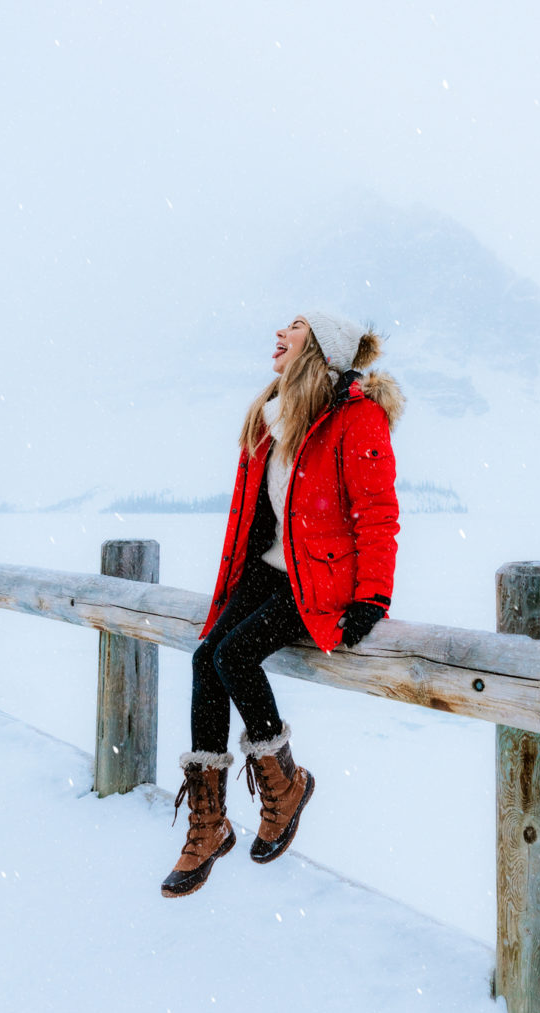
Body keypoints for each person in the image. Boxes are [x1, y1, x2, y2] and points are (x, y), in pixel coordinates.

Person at [161, 312, 404, 898]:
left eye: (294, 327)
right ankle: (210, 821)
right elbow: (254, 517)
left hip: (317, 585)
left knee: (235, 657)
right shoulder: (274, 416)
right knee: (206, 660)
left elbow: (376, 512)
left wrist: (372, 596)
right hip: (267, 576)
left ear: (320, 348)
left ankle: (285, 784)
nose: (280, 333)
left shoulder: (355, 418)